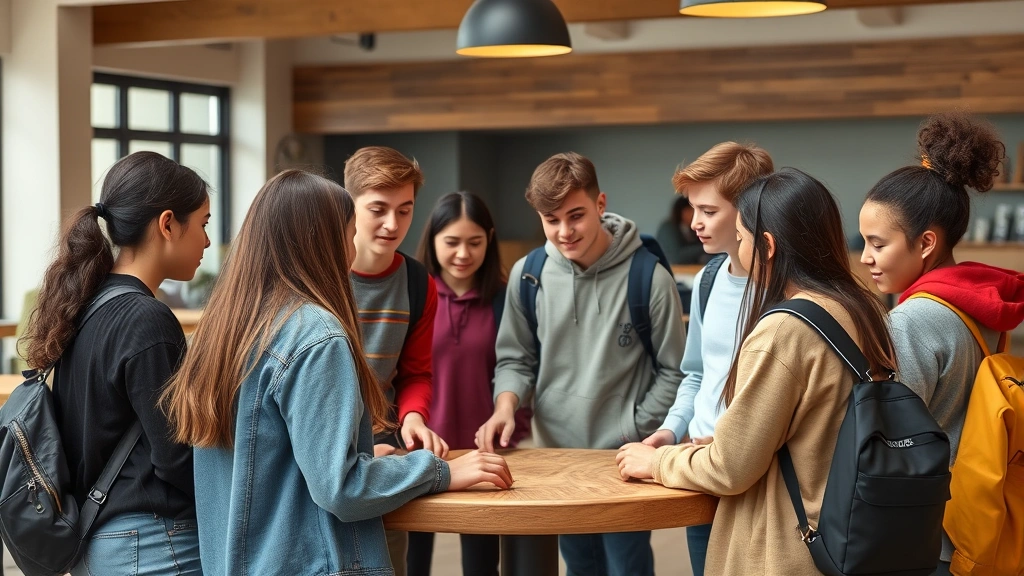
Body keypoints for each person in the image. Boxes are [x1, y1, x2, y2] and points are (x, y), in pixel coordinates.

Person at [160, 170, 512, 576]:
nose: (353, 248)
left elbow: (273, 464)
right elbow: (340, 488)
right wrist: (440, 471)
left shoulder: (223, 330)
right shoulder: (318, 336)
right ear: (322, 242)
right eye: (349, 234)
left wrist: (367, 460)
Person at [617, 168, 898, 576]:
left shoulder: (783, 329)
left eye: (743, 236)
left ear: (766, 245)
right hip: (855, 530)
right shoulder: (864, 308)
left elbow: (730, 468)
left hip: (792, 547)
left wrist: (658, 461)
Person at [477, 152, 686, 576]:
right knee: (579, 567)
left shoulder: (649, 278)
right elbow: (516, 357)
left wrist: (632, 428)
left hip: (622, 460)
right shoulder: (528, 274)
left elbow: (675, 372)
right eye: (550, 220)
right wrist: (505, 406)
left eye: (576, 216)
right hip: (558, 458)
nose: (564, 232)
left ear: (601, 204)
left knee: (626, 567)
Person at [20, 151, 211, 576]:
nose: (207, 242)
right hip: (155, 545)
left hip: (99, 542)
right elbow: (175, 457)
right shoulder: (147, 319)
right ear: (167, 224)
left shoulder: (85, 304)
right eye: (203, 223)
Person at [858, 112, 1024, 575]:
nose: (867, 257)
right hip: (976, 509)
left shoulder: (913, 319)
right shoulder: (980, 303)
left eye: (877, 243)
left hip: (927, 531)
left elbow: (891, 438)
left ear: (926, 242)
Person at [642, 142, 773, 576]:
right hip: (699, 473)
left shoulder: (787, 292)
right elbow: (695, 375)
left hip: (759, 481)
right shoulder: (708, 279)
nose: (695, 223)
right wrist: (670, 428)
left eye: (709, 211)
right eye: (692, 209)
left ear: (750, 210)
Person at [406, 191, 532, 576]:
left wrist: (510, 422)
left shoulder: (503, 297)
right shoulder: (413, 293)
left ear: (489, 240)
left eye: (475, 242)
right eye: (452, 242)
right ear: (433, 241)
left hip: (486, 453)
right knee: (412, 562)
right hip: (418, 452)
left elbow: (517, 364)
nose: (463, 253)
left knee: (482, 566)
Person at [345, 146, 449, 575]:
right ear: (348, 205)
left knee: (387, 562)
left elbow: (416, 373)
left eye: (405, 211)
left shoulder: (418, 282)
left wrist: (413, 418)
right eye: (378, 209)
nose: (393, 224)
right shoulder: (322, 276)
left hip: (386, 449)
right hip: (325, 451)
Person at [656, 195, 706, 265]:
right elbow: (676, 257)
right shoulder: (668, 228)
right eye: (693, 210)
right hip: (671, 270)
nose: (696, 214)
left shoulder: (691, 228)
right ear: (683, 211)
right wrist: (705, 246)